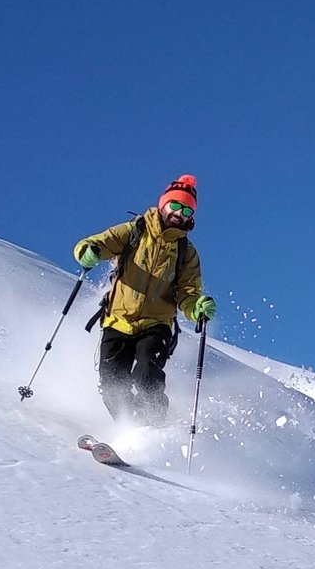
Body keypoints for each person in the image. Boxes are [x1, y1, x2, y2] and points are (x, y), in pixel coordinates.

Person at [72, 175, 218, 425]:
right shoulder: (134, 230)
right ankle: (130, 428)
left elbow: (188, 293)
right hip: (117, 320)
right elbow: (97, 243)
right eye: (175, 205)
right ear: (163, 204)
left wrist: (197, 308)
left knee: (146, 376)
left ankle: (156, 425)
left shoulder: (187, 253)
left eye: (186, 210)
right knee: (111, 384)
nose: (179, 213)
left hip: (155, 324)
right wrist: (87, 252)